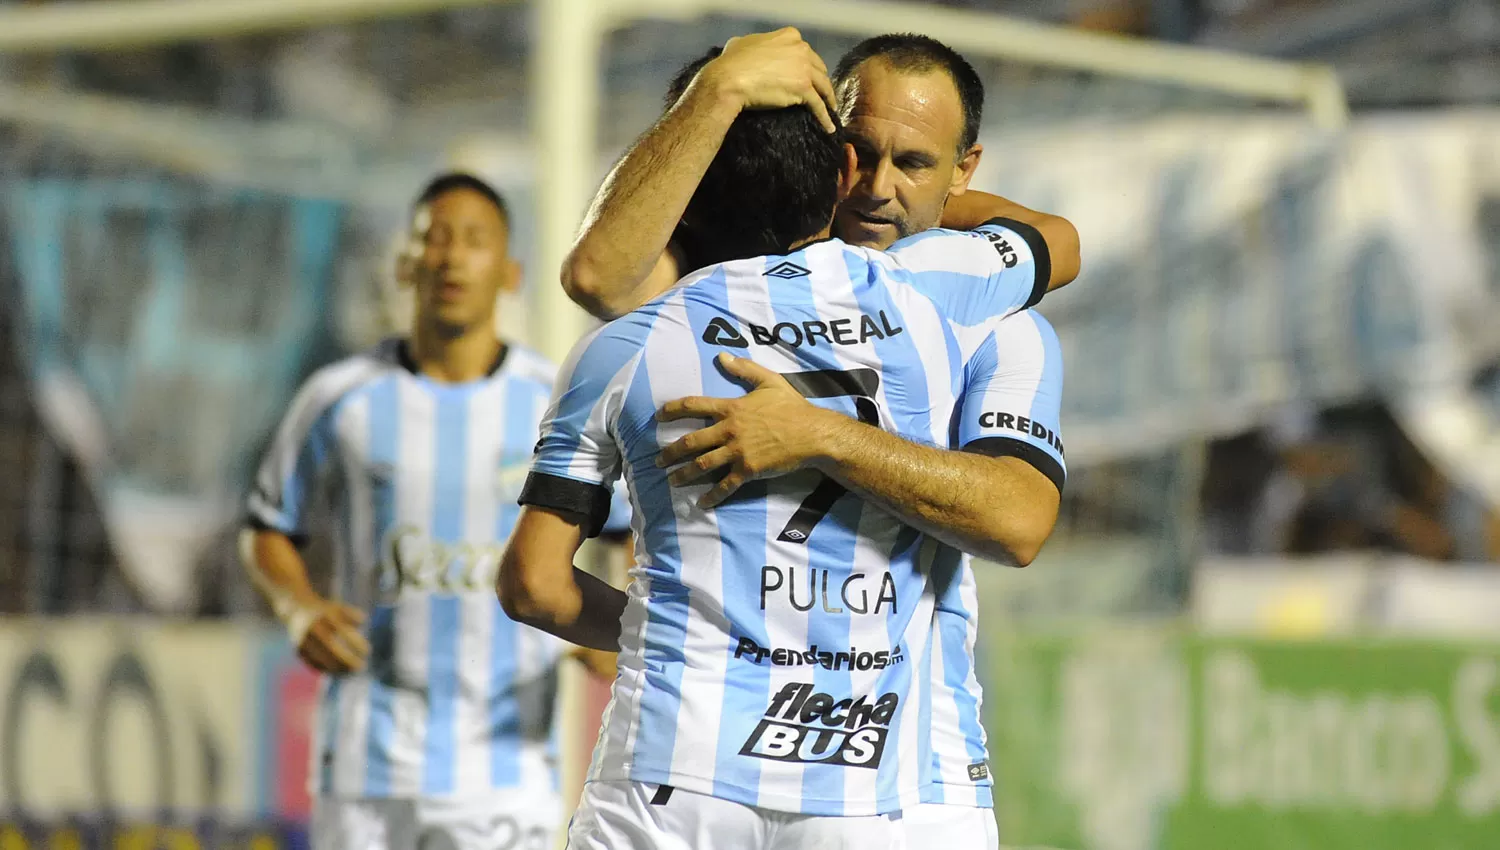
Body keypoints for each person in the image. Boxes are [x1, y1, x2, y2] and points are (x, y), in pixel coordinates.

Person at [497, 44, 1066, 849]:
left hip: (675, 774)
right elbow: (1054, 240)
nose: (876, 188)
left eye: (912, 164)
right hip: (892, 789)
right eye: (861, 157)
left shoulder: (634, 337)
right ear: (833, 162)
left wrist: (818, 437)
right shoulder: (953, 300)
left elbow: (533, 585)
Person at [240, 173, 626, 850]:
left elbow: (630, 527)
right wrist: (298, 607)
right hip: (365, 762)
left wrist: (612, 628)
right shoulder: (339, 397)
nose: (452, 257)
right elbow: (268, 526)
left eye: (474, 240)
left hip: (508, 765)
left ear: (510, 273)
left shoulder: (553, 399)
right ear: (404, 264)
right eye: (435, 238)